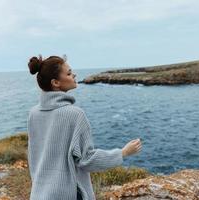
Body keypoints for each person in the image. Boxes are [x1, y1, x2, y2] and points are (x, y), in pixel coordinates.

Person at [27, 55, 142, 200]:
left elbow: (33, 156)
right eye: (68, 73)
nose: (74, 75)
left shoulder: (33, 113)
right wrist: (123, 153)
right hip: (69, 194)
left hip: (39, 194)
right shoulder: (75, 114)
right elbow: (87, 160)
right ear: (55, 82)